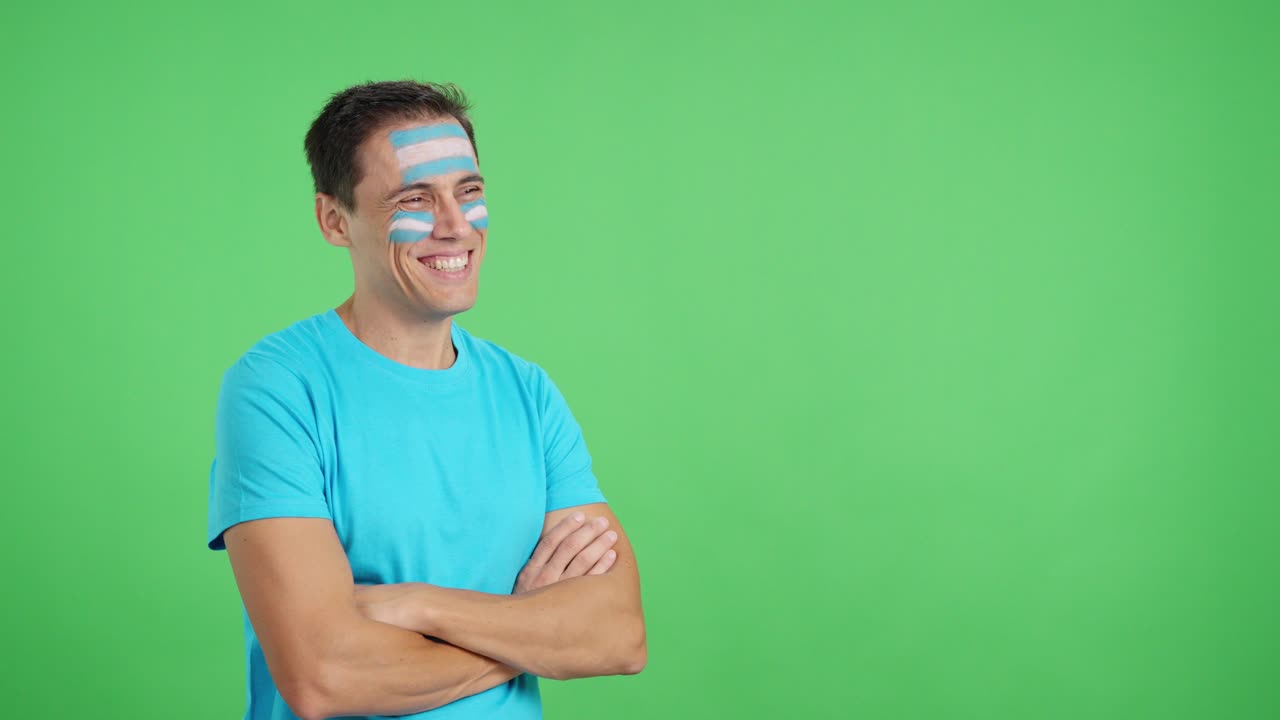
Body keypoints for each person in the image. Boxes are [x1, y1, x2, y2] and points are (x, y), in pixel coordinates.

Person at [205, 80, 646, 720]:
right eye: (415, 198)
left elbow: (619, 634)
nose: (455, 225)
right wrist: (532, 632)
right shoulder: (277, 388)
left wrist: (420, 606)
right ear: (334, 220)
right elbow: (323, 677)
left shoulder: (528, 392)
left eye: (468, 192)